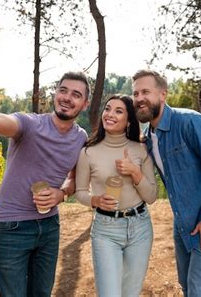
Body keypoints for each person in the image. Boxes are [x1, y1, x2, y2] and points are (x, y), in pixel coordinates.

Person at [0, 43, 90, 296]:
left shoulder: (81, 138)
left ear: (85, 104)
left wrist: (61, 194)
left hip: (50, 226)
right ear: (55, 94)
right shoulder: (29, 125)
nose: (67, 97)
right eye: (63, 90)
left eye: (76, 94)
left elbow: (75, 181)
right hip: (13, 226)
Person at [131, 70, 201, 296]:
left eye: (145, 92)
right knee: (186, 285)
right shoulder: (149, 138)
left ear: (163, 95)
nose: (139, 98)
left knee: (199, 291)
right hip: (184, 220)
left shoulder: (190, 122)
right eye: (135, 93)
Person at [74, 94, 157, 297]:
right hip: (105, 231)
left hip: (140, 228)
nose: (110, 114)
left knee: (130, 293)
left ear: (129, 120)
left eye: (118, 111)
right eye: (108, 109)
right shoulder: (88, 152)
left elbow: (152, 196)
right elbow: (80, 192)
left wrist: (135, 172)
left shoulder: (140, 149)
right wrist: (95, 200)